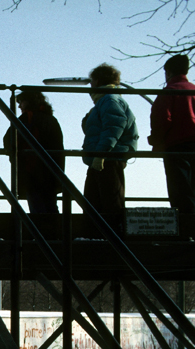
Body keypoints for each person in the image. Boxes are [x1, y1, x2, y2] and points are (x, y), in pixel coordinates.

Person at [81, 63, 139, 236]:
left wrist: (101, 154)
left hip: (107, 159)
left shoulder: (109, 99)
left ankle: (109, 241)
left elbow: (115, 125)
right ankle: (105, 239)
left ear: (97, 81)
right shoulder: (108, 100)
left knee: (105, 203)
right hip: (105, 157)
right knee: (100, 202)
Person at [148, 54, 195, 216]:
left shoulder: (169, 92)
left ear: (168, 72)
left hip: (176, 146)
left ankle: (184, 228)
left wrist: (156, 142)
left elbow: (162, 120)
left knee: (179, 190)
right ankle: (192, 228)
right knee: (193, 188)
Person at [3, 90, 65, 214]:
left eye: (21, 102)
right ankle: (56, 231)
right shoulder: (51, 119)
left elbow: (9, 140)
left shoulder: (26, 119)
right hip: (51, 171)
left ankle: (41, 231)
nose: (20, 106)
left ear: (29, 102)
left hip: (32, 171)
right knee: (51, 206)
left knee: (37, 207)